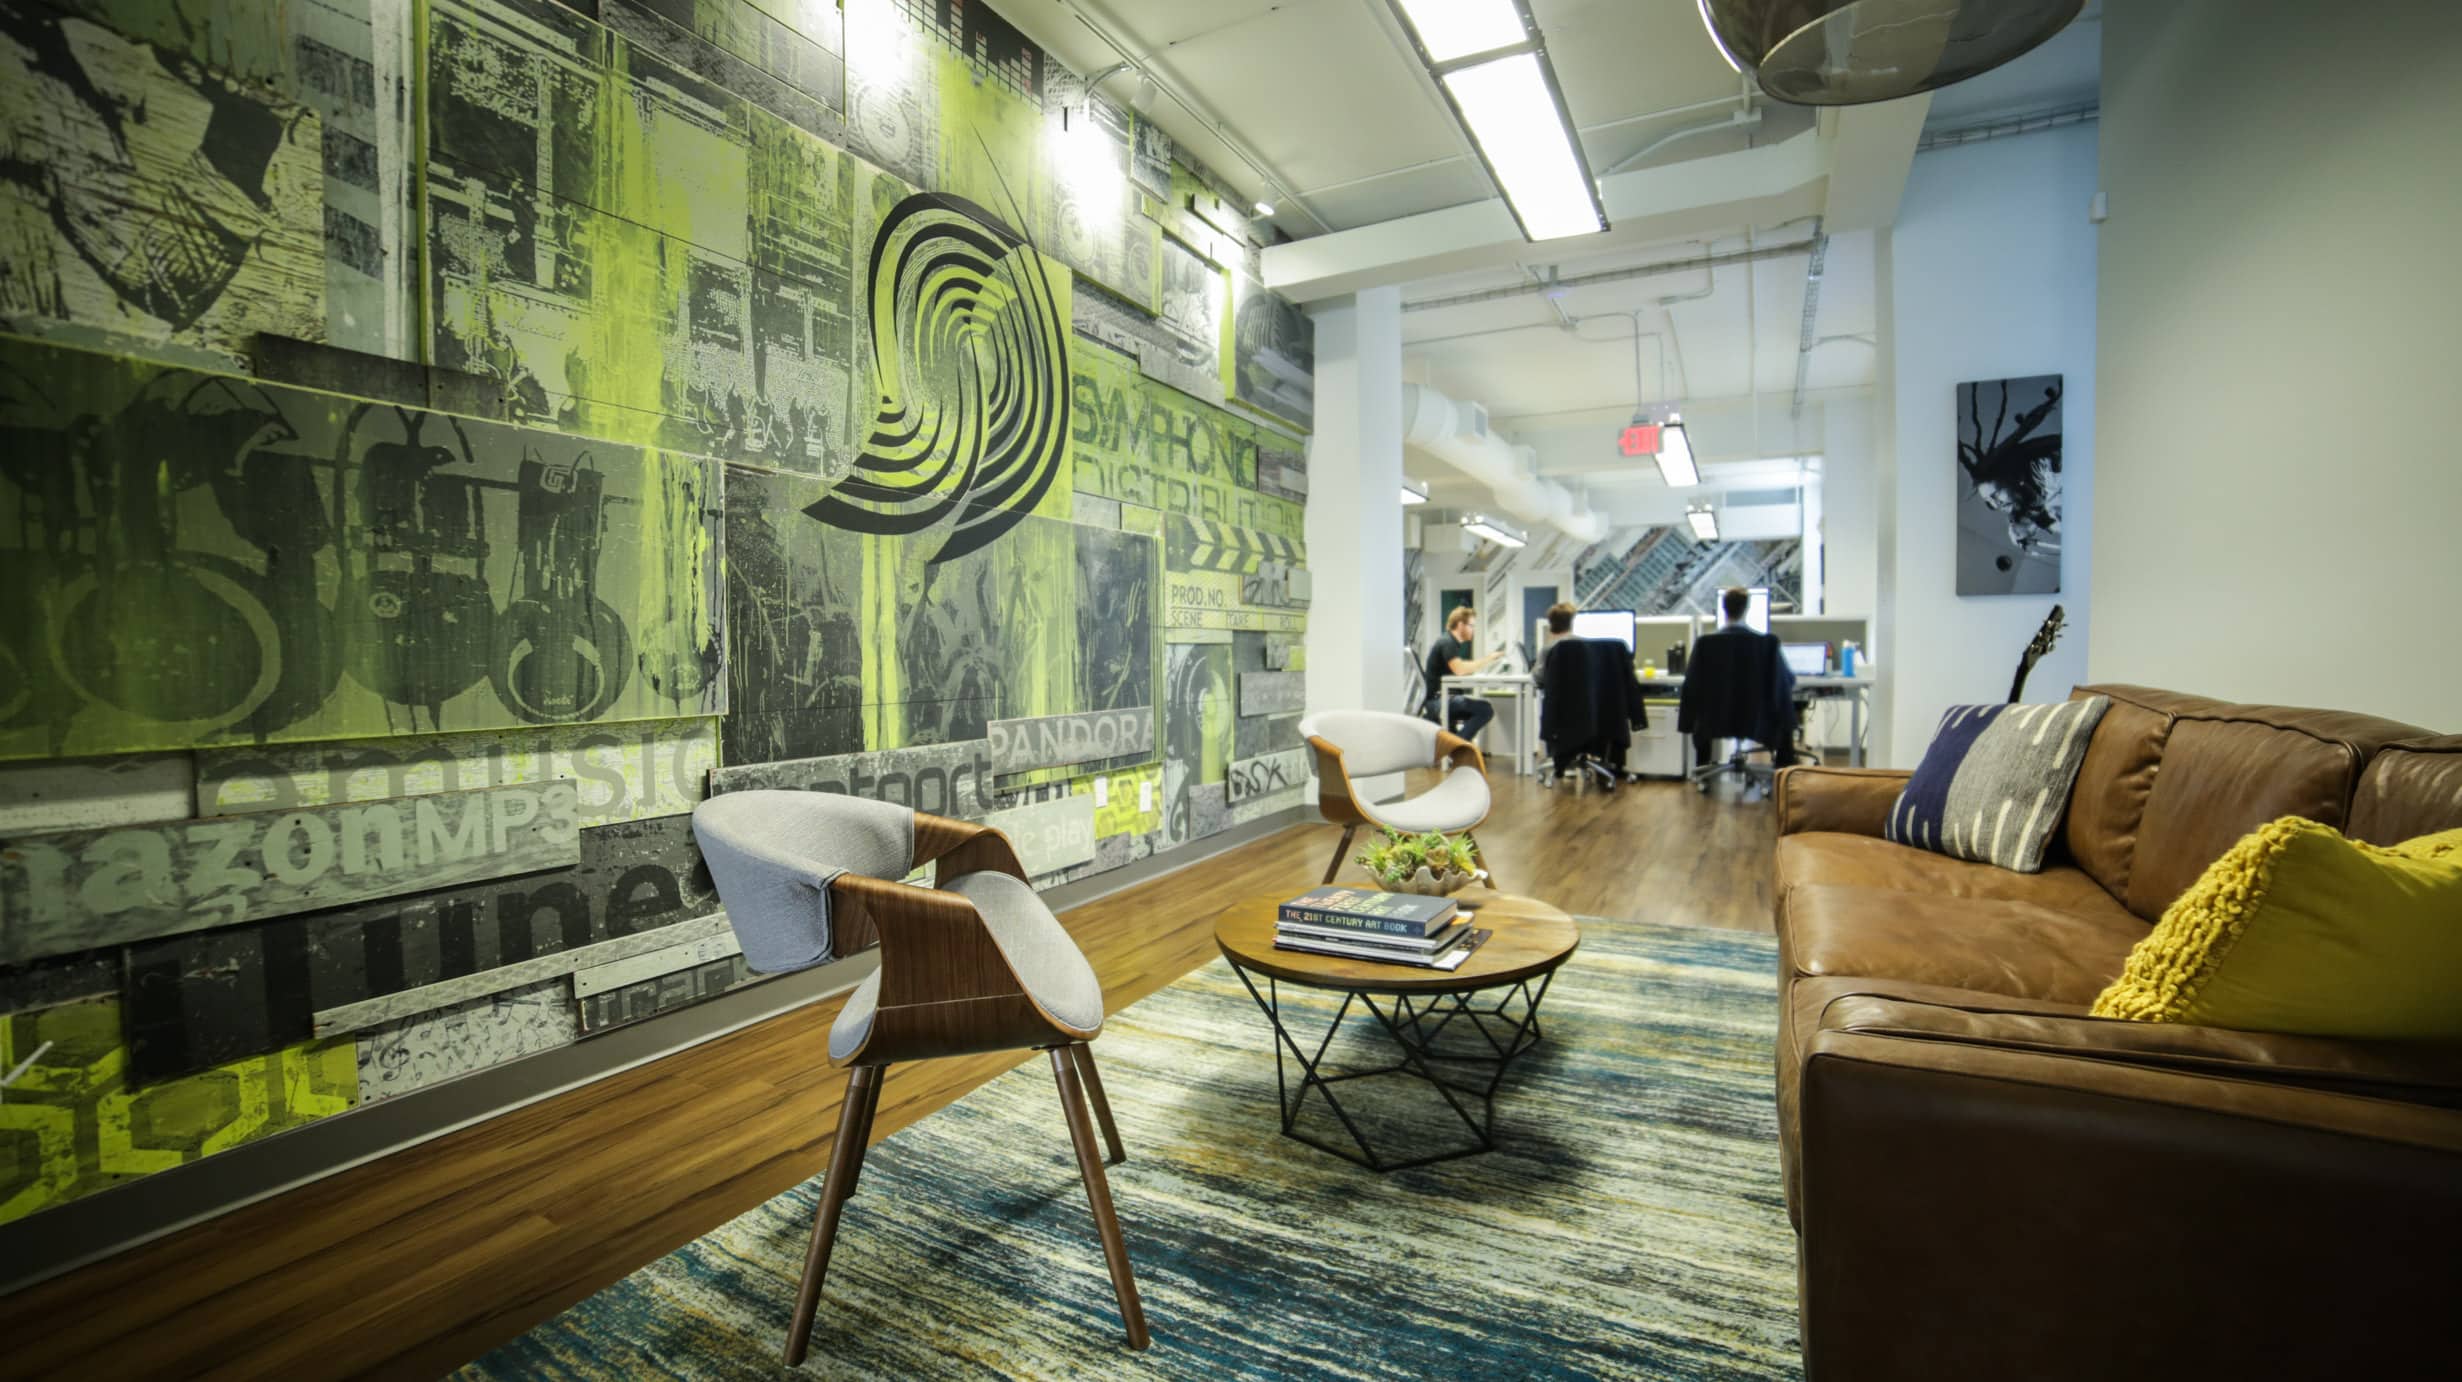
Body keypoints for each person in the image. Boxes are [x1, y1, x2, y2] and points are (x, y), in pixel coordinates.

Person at [1684, 587, 1799, 769]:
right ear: (1746, 609)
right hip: (1755, 717)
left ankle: (1702, 768)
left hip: (1715, 718)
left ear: (1722, 608)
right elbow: (1787, 681)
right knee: (1784, 707)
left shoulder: (1705, 644)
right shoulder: (1766, 644)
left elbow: (1691, 685)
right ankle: (1784, 769)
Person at [1422, 605, 1503, 740]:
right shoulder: (1447, 642)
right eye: (1472, 626)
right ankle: (1457, 746)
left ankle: (1456, 742)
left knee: (1479, 709)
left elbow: (1457, 670)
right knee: (1485, 710)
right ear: (1461, 625)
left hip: (1442, 698)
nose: (1474, 630)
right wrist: (1488, 659)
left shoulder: (1449, 642)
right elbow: (1459, 669)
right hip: (1438, 701)